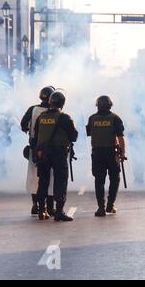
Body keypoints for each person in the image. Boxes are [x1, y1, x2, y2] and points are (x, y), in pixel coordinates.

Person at [33, 92, 78, 221]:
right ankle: (58, 211)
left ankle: (42, 210)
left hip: (43, 154)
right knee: (60, 181)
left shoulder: (41, 117)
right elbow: (74, 137)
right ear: (62, 103)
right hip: (59, 153)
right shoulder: (64, 118)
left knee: (43, 182)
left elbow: (36, 138)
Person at [86, 96, 126, 217]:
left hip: (97, 153)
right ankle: (110, 205)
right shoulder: (115, 118)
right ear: (110, 105)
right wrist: (122, 153)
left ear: (97, 105)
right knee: (114, 179)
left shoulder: (92, 118)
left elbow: (89, 134)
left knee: (99, 181)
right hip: (111, 153)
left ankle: (100, 208)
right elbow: (120, 137)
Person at [21, 86, 55, 216]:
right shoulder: (56, 110)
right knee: (51, 178)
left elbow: (23, 125)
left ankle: (36, 205)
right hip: (52, 149)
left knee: (34, 178)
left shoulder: (33, 109)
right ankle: (50, 206)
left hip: (35, 148)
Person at [128, 106, 145, 185]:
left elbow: (126, 131)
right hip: (136, 143)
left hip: (136, 143)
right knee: (139, 161)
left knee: (137, 161)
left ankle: (138, 178)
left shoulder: (132, 118)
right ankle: (139, 178)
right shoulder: (142, 118)